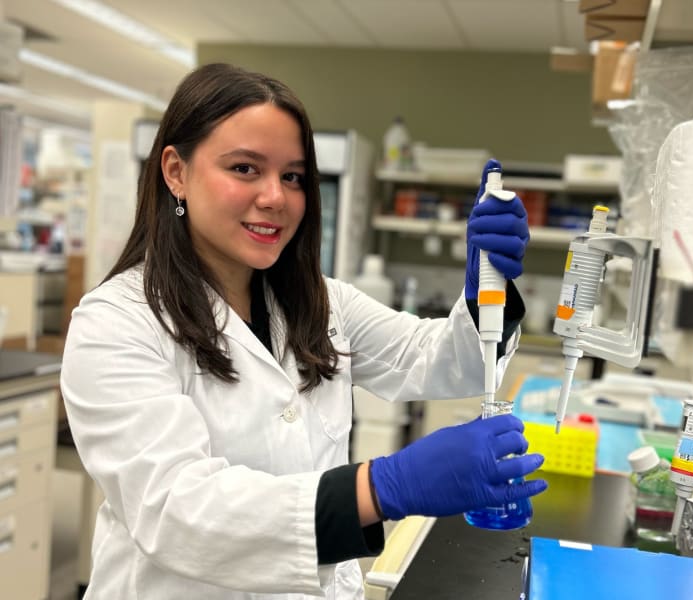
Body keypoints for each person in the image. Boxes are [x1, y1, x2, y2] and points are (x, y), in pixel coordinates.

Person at [60, 62, 547, 600]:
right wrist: (384, 488)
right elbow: (175, 510)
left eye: (293, 176)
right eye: (245, 168)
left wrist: (487, 295)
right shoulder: (115, 322)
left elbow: (433, 359)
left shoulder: (322, 299)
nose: (276, 197)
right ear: (175, 171)